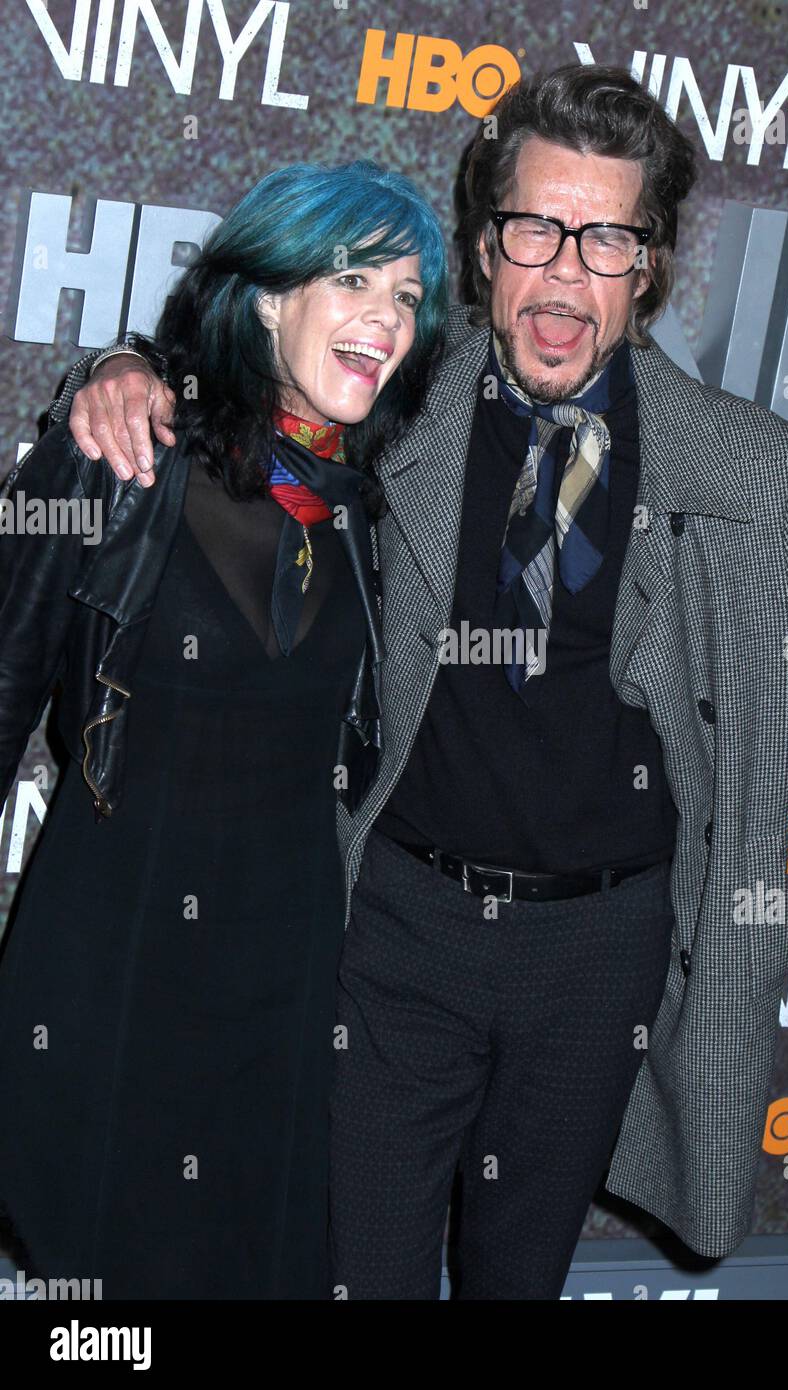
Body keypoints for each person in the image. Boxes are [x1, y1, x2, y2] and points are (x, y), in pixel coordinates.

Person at [53, 65, 788, 1301]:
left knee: (515, 1279)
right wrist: (122, 368)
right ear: (488, 251)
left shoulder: (746, 468)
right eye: (536, 229)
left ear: (647, 267)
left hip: (601, 956)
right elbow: (232, 376)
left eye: (607, 238)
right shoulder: (398, 404)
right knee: (361, 1273)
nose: (564, 274)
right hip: (396, 933)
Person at [0, 159, 447, 1298]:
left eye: (406, 296)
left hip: (283, 987)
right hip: (113, 960)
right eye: (353, 279)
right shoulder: (115, 459)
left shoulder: (365, 508)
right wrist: (113, 368)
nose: (384, 319)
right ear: (264, 296)